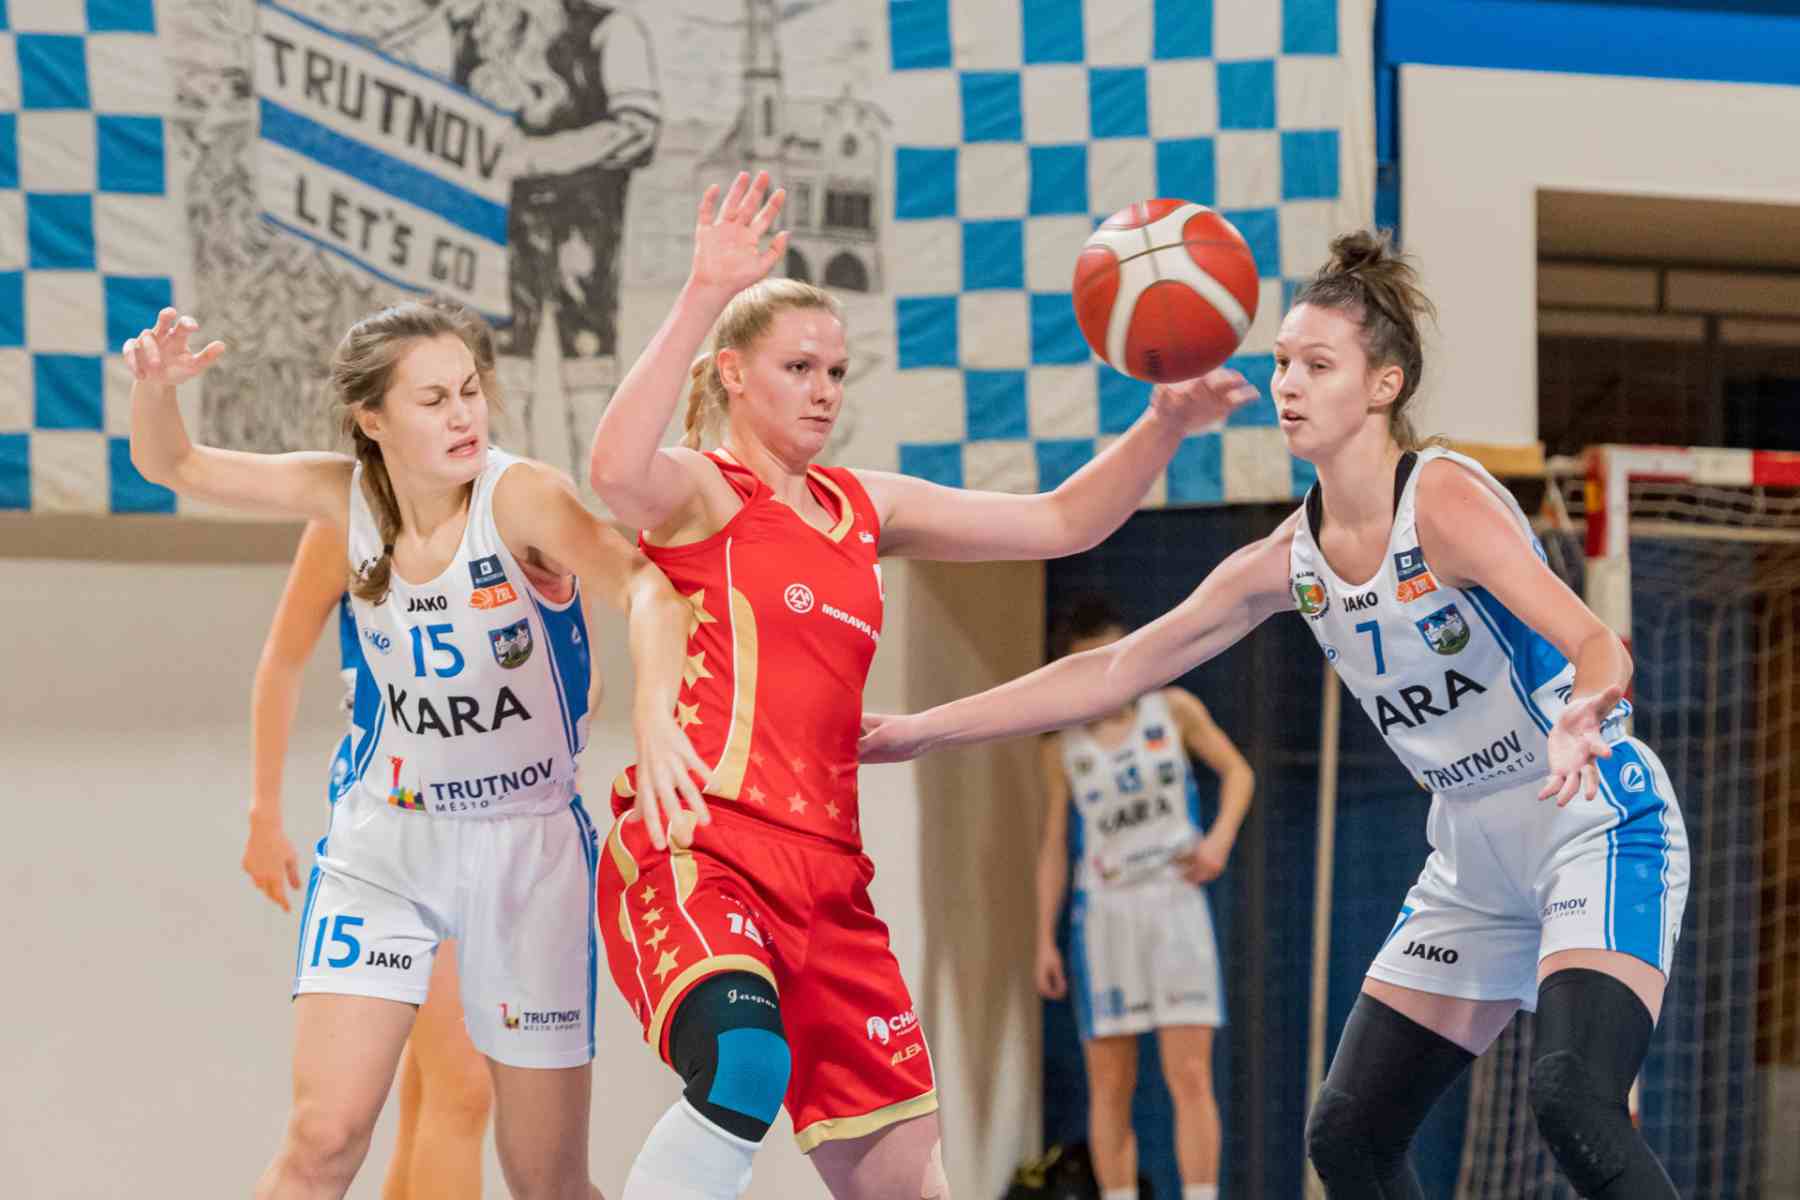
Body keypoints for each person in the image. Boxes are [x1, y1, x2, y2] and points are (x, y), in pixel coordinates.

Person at [861, 232, 1690, 1200]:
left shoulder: (1445, 501)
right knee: (1349, 1136)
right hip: (1472, 850)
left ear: (1383, 385)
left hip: (1590, 820)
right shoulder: (1287, 561)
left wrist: (1586, 709)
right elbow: (1114, 671)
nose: (1288, 385)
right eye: (1282, 362)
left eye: (1317, 365)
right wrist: (922, 729)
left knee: (1572, 1098)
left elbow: (1596, 642)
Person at [583, 171, 1261, 1200]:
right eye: (798, 367)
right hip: (704, 843)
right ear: (731, 374)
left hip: (830, 879)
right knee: (745, 1066)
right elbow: (612, 471)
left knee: (911, 1183)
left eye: (836, 371)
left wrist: (1164, 424)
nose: (823, 390)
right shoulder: (704, 492)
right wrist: (702, 293)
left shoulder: (863, 504)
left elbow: (1062, 521)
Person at [125, 297, 707, 1200]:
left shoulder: (523, 497)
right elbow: (175, 464)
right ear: (373, 419)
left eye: (470, 391)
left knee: (546, 1180)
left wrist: (656, 717)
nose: (464, 415)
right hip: (387, 845)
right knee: (323, 1138)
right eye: (433, 400)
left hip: (525, 849)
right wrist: (156, 391)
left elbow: (648, 591)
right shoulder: (342, 499)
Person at [245, 515, 582, 1198]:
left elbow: (580, 679)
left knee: (431, 1091)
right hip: (397, 835)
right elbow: (282, 658)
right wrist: (264, 813)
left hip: (498, 833)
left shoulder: (513, 508)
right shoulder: (345, 518)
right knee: (458, 1087)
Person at [1036, 597, 1252, 1200]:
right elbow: (1054, 845)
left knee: (1191, 1074)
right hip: (1104, 916)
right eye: (1087, 662)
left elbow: (1240, 772)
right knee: (1111, 1085)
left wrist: (1218, 841)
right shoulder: (1061, 746)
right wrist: (1043, 939)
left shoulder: (1174, 709)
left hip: (1174, 903)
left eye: (1111, 655)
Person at [450, 0, 661, 476]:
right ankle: (508, 499)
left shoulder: (611, 31)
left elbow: (638, 130)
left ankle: (596, 496)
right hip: (494, 239)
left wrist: (535, 157)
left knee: (588, 361)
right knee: (498, 364)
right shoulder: (470, 30)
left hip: (585, 232)